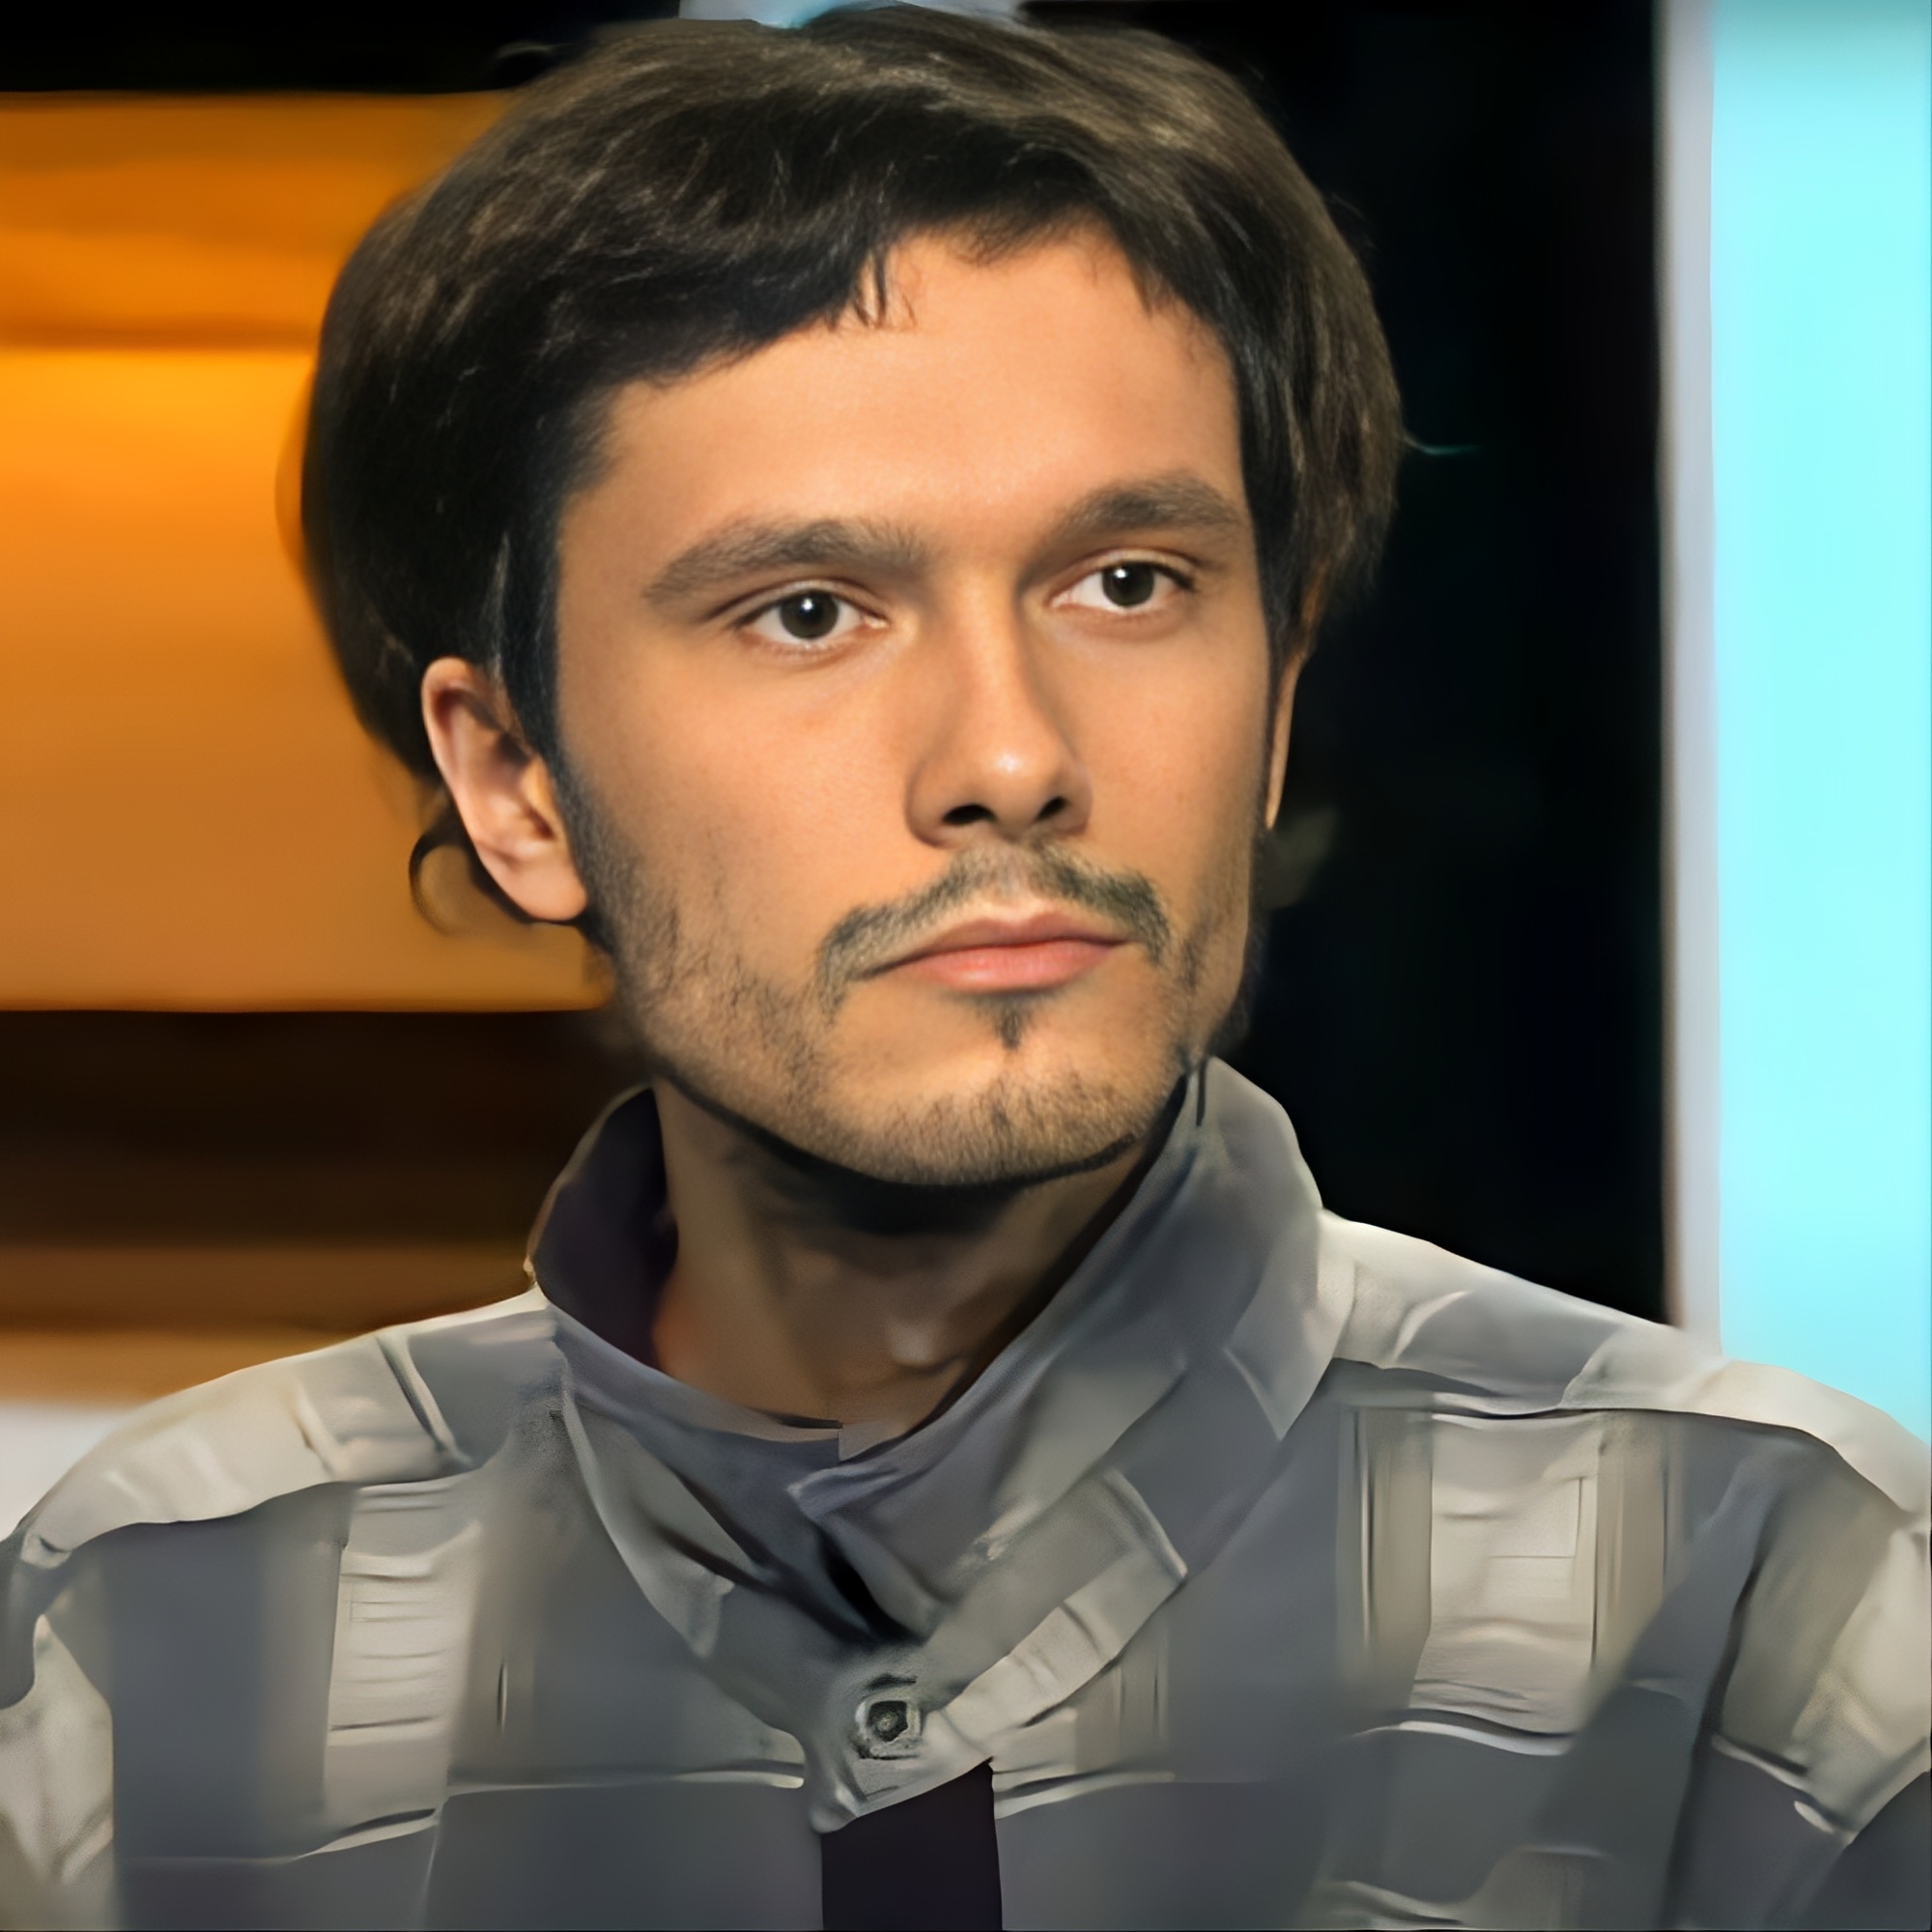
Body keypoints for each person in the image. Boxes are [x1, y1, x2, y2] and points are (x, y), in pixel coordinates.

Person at [2, 10, 1924, 1929]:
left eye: (1126, 584)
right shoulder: (155, 1639)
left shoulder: (1759, 1607)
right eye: (808, 612)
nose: (1010, 756)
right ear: (517, 784)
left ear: (1273, 709)